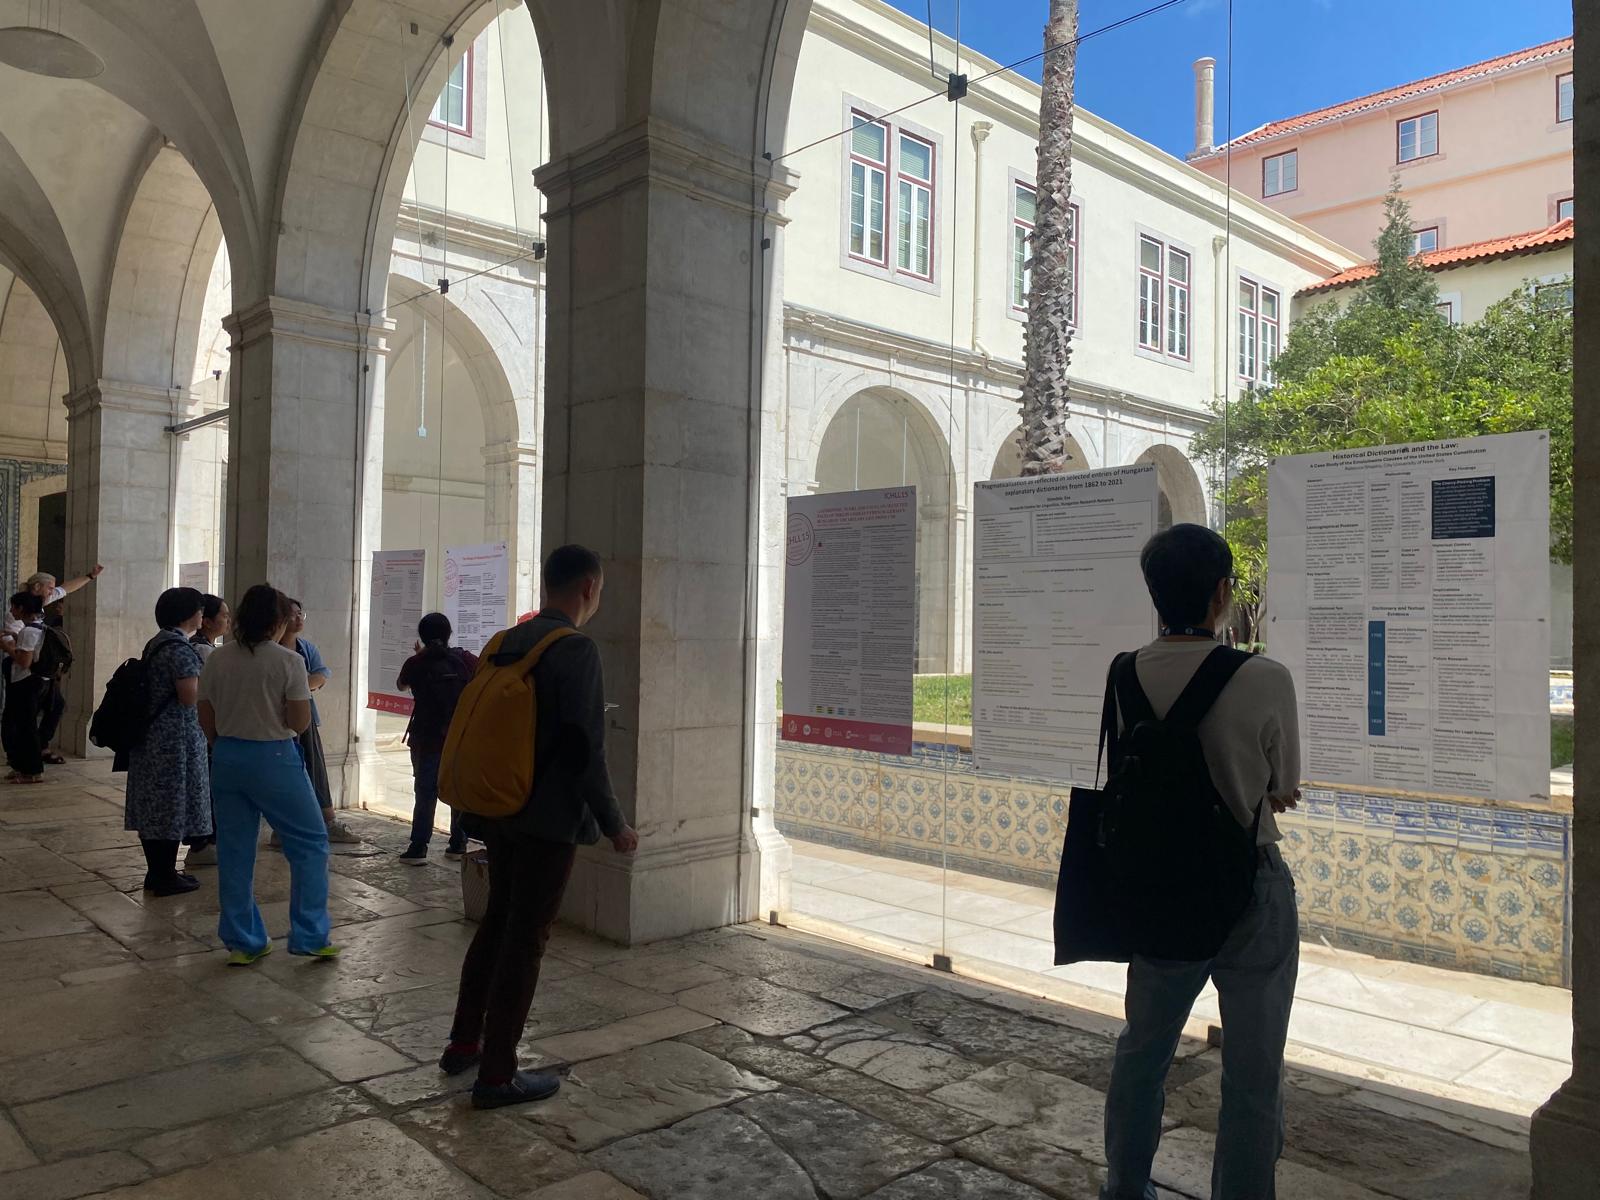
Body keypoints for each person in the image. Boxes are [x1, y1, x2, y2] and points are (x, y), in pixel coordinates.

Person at [1099, 524, 1302, 1200]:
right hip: (1248, 884)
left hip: (1157, 881)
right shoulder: (1264, 677)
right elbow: (1283, 784)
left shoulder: (1124, 672)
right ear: (1222, 593)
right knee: (1253, 1068)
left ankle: (1126, 1187)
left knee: (1143, 1049)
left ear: (1154, 594)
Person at [442, 544, 639, 1109]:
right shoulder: (575, 648)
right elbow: (584, 747)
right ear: (589, 588)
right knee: (526, 940)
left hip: (497, 808)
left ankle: (464, 1042)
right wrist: (615, 824)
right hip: (547, 819)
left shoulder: (507, 641)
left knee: (497, 922)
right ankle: (497, 1074)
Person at [198, 584, 338, 964]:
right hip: (274, 756)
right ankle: (310, 934)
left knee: (235, 850)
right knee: (310, 843)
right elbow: (299, 721)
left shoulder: (217, 658)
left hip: (227, 756)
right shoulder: (289, 662)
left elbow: (205, 715)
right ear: (278, 622)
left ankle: (244, 941)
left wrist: (224, 744)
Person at [124, 588, 212, 896]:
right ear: (189, 614)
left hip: (154, 736)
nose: (202, 616)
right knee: (170, 805)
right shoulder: (179, 649)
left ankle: (159, 872)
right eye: (200, 610)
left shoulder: (158, 642)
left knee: (156, 805)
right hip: (173, 740)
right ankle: (164, 875)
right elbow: (189, 696)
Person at [268, 600, 359, 847]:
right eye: (293, 614)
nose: (299, 619)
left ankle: (327, 821)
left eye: (301, 614)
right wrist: (301, 686)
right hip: (275, 722)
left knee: (314, 767)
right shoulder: (272, 651)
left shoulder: (305, 648)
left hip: (303, 717)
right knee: (283, 774)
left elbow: (321, 674)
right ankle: (283, 827)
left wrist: (298, 687)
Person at [396, 613, 478, 864]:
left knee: (425, 791)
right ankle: (458, 843)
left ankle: (419, 846)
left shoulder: (416, 662)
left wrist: (420, 656)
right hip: (458, 738)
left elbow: (401, 685)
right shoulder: (465, 660)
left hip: (425, 737)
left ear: (421, 636)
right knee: (456, 788)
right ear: (449, 634)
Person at [183, 595, 232, 866]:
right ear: (208, 621)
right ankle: (205, 841)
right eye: (224, 615)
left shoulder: (199, 647)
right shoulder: (205, 652)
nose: (228, 620)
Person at [1, 592, 48, 784]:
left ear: (21, 608)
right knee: (20, 725)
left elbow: (24, 661)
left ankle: (32, 770)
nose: (11, 611)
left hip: (26, 683)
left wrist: (6, 647)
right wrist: (15, 636)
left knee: (26, 727)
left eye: (13, 607)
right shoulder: (38, 627)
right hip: (32, 682)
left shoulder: (29, 631)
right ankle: (21, 766)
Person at [37, 599, 69, 765]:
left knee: (56, 705)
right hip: (41, 674)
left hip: (49, 673)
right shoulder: (54, 623)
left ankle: (40, 745)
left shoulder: (57, 623)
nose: (58, 607)